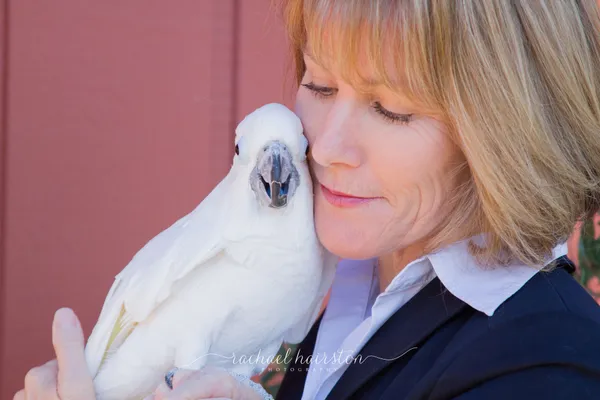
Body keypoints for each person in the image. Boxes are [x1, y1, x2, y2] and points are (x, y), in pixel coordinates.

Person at [14, 0, 600, 399]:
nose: (325, 147)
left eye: (392, 109)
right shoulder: (356, 295)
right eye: (319, 84)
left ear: (506, 132)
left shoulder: (548, 363)